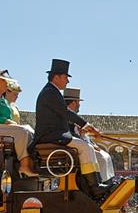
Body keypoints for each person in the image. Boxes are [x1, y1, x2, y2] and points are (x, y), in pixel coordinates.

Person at [32, 59, 108, 199]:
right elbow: (66, 113)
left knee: (85, 147)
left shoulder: (51, 91)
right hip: (51, 136)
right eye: (66, 77)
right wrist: (86, 125)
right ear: (57, 77)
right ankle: (95, 187)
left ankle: (94, 185)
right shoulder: (50, 92)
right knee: (86, 148)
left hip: (54, 134)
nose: (67, 81)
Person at [0, 69, 36, 177]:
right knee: (22, 132)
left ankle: (31, 163)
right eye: (3, 81)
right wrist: (6, 121)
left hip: (0, 127)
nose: (6, 83)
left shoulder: (4, 100)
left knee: (28, 129)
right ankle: (24, 164)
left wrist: (8, 122)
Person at [64, 87, 115, 182]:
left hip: (80, 145)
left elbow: (80, 134)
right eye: (78, 103)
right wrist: (83, 135)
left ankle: (108, 182)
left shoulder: (73, 116)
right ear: (74, 102)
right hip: (73, 149)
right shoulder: (67, 116)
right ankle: (101, 183)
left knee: (106, 156)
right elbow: (70, 135)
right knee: (101, 158)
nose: (79, 105)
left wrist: (91, 142)